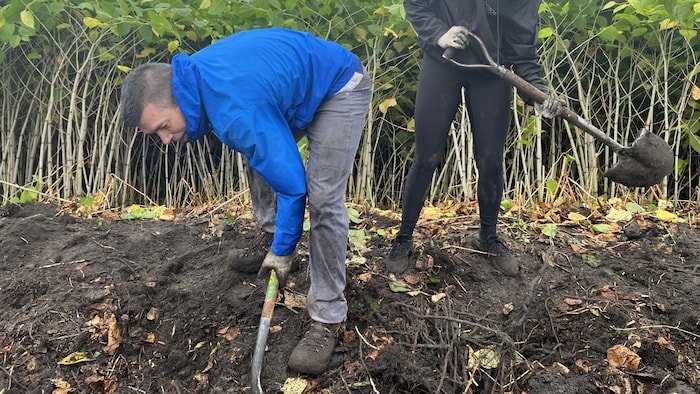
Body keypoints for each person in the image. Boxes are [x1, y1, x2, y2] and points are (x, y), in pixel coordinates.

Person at [119, 27, 372, 375]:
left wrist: (285, 249)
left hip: (338, 86)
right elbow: (267, 151)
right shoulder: (198, 81)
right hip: (291, 92)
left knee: (324, 199)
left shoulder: (233, 108)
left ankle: (326, 318)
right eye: (155, 134)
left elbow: (293, 186)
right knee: (257, 154)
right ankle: (273, 238)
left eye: (164, 126)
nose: (165, 140)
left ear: (177, 97)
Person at [387, 0, 561, 276]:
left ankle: (488, 237)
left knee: (491, 160)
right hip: (443, 62)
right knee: (427, 157)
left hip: (492, 72)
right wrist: (438, 33)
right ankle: (404, 237)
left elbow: (523, 54)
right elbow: (417, 5)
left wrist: (538, 93)